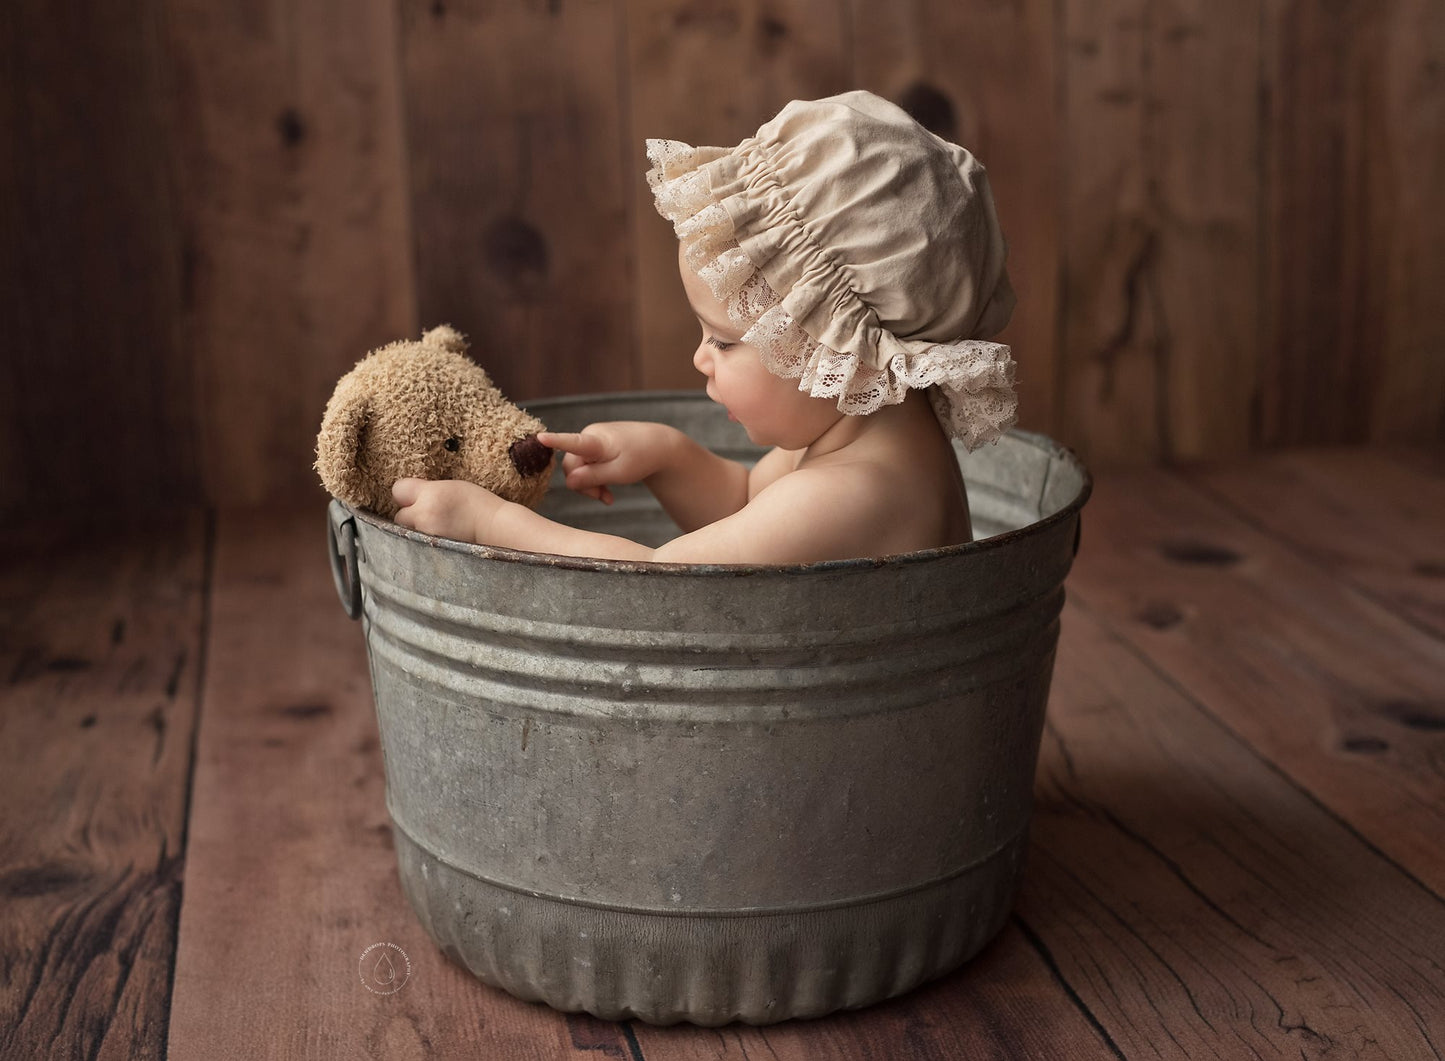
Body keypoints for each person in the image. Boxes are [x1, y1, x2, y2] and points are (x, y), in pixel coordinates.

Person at [393, 90, 1018, 564]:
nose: (700, 358)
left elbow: (662, 588)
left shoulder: (859, 491)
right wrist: (669, 457)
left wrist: (489, 526)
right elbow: (749, 502)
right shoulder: (859, 430)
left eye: (721, 339)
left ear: (840, 342)